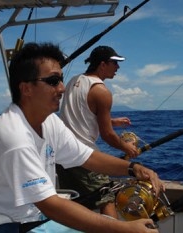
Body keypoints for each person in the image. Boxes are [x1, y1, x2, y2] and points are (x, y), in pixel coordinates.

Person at [0, 42, 163, 233]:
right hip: (3, 226)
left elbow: (88, 157)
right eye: (52, 81)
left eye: (60, 79)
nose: (62, 88)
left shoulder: (49, 121)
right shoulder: (14, 137)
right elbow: (50, 205)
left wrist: (133, 169)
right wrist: (123, 228)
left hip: (31, 217)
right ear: (26, 89)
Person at [57, 45, 139, 218]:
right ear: (102, 64)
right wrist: (127, 148)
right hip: (83, 156)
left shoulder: (73, 81)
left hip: (61, 155)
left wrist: (112, 121)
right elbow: (107, 135)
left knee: (78, 202)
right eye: (114, 63)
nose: (118, 68)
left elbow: (79, 115)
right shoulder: (102, 92)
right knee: (107, 196)